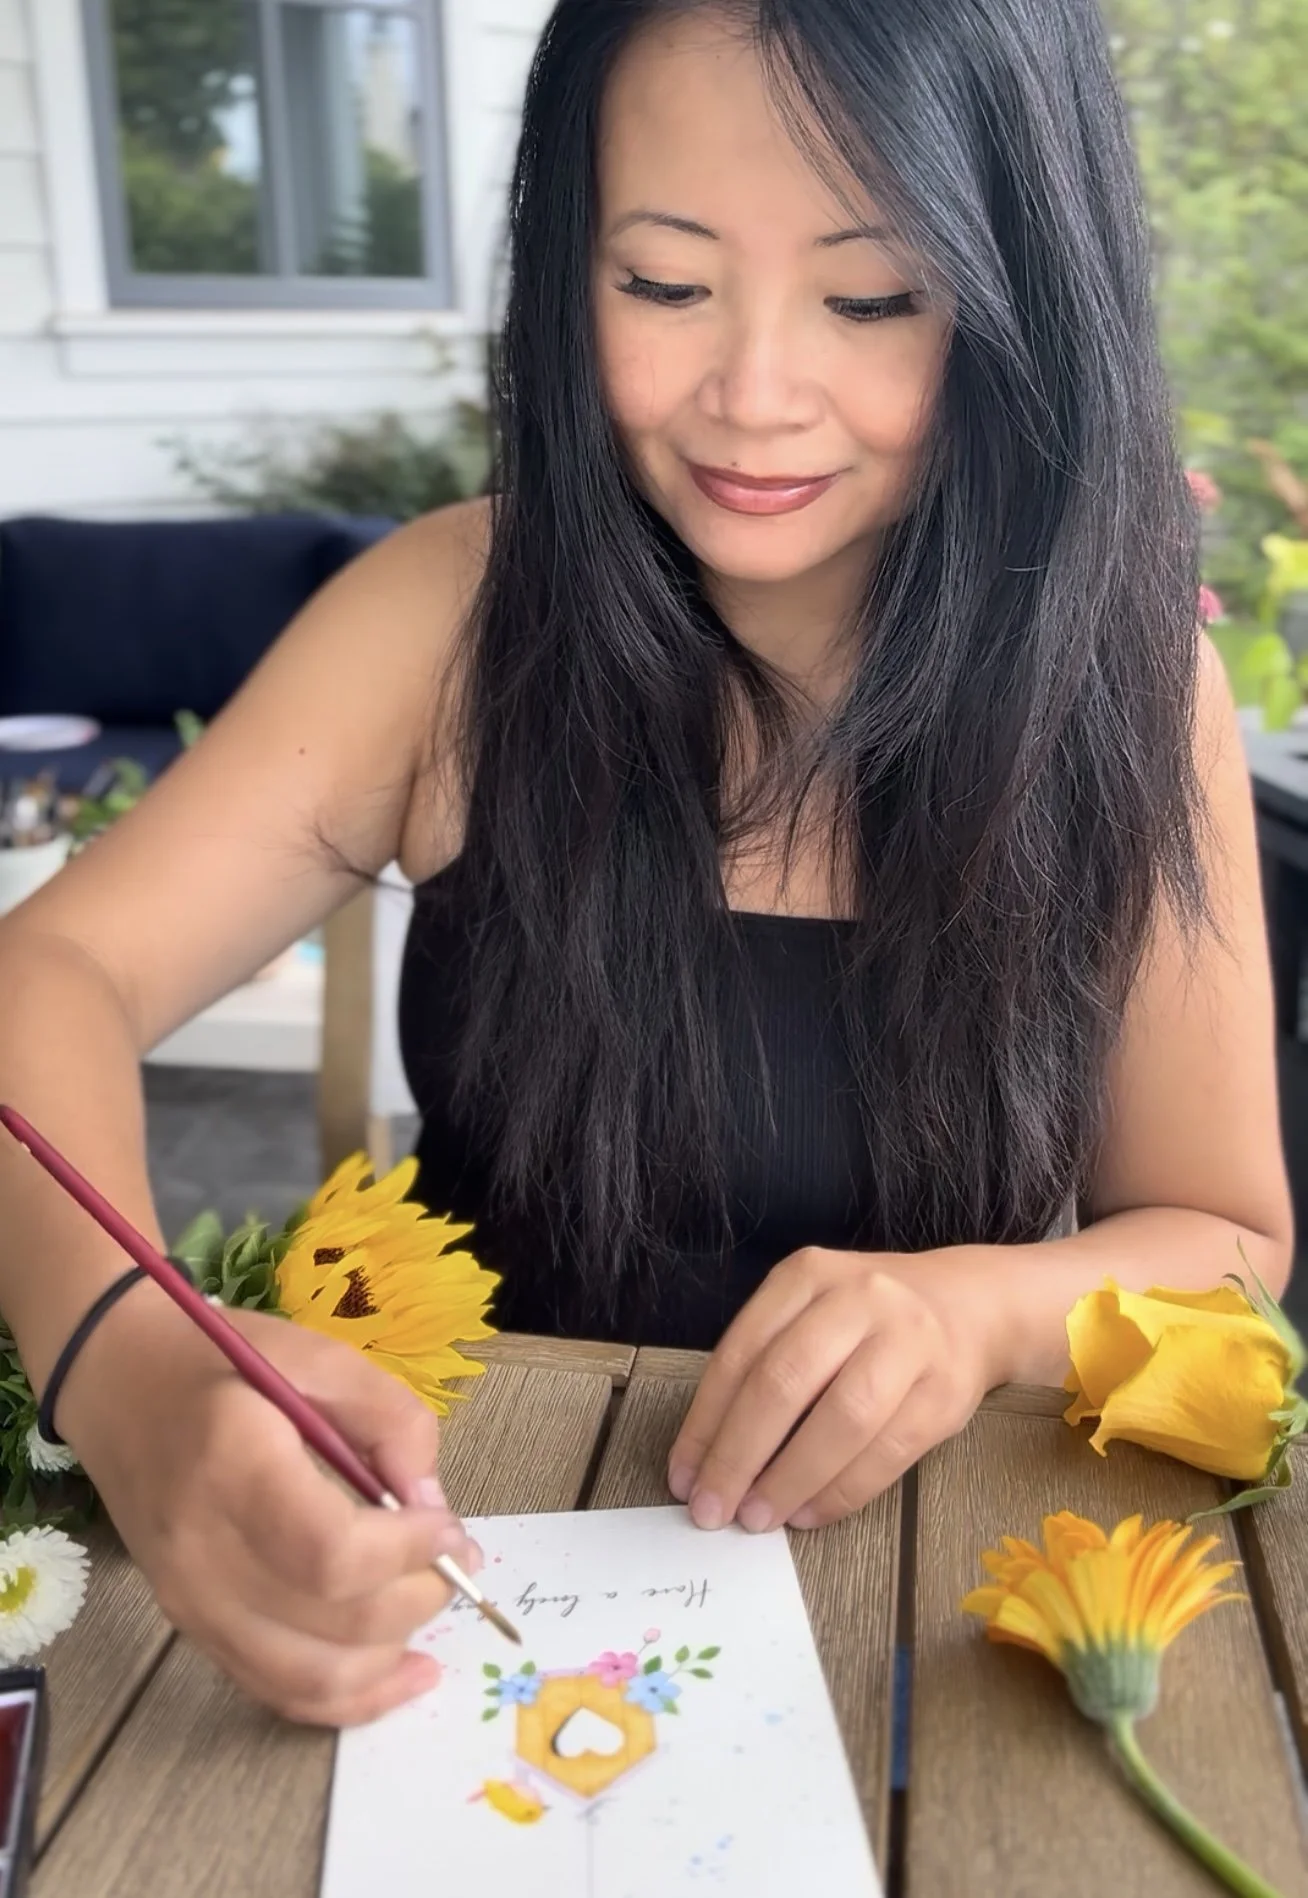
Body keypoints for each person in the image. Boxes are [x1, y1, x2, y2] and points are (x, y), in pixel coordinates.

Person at [0, 0, 1291, 1729]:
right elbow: (51, 972)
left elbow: (1221, 1236)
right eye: (664, 284)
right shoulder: (452, 619)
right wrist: (129, 1358)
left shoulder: (1132, 687)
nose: (752, 395)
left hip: (939, 1600)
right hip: (450, 1584)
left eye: (874, 296)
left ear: (1023, 297)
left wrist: (981, 1311)